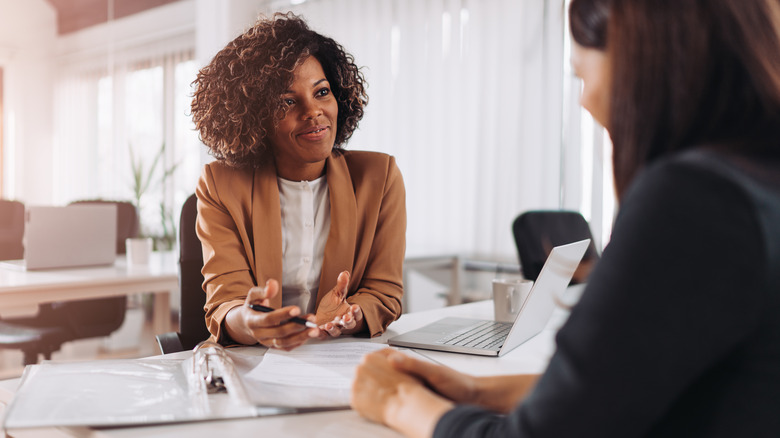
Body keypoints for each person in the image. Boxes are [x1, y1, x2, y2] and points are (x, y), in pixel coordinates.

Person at [351, 0, 780, 436]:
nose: (586, 100)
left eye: (581, 73)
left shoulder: (693, 199)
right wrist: (476, 392)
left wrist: (397, 400)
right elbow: (622, 391)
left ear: (644, 61)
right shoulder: (756, 182)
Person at [191, 13, 406, 350]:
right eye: (288, 101)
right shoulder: (220, 184)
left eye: (321, 92)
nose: (313, 111)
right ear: (254, 117)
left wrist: (351, 316)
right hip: (253, 362)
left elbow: (385, 292)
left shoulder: (379, 178)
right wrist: (252, 323)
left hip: (342, 360)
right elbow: (225, 303)